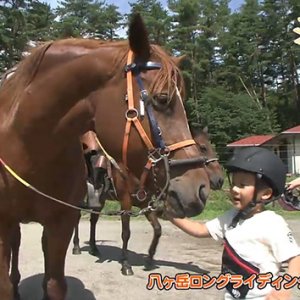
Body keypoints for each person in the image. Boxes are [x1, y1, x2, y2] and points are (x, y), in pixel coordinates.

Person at [167, 147, 300, 300]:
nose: (235, 189)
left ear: (266, 194)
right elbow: (200, 229)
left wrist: (284, 288)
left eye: (242, 185)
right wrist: (171, 215)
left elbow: (295, 258)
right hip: (232, 295)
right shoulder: (231, 217)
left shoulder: (272, 223)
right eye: (233, 184)